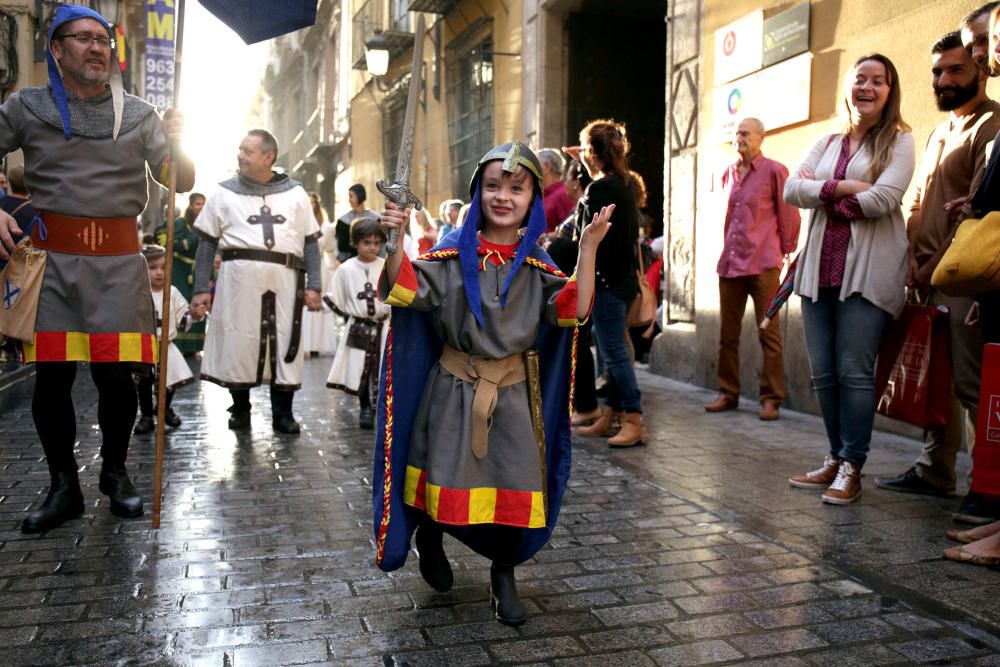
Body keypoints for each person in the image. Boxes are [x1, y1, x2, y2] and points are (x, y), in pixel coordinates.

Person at [374, 141, 611, 625]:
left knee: (516, 486)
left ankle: (503, 575)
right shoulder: (448, 257)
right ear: (478, 192)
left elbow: (576, 309)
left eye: (517, 188)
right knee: (441, 481)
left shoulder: (538, 269)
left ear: (532, 200)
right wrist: (394, 241)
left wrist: (586, 248)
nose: (504, 196)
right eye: (493, 186)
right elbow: (402, 288)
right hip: (451, 389)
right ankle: (430, 537)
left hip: (511, 401)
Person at [0, 4, 194, 532]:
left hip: (117, 263)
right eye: (82, 38)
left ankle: (115, 474)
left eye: (102, 39)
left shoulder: (139, 113)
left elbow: (180, 180)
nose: (96, 47)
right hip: (53, 265)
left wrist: (179, 139)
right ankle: (63, 485)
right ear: (56, 49)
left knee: (117, 377)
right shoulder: (26, 106)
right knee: (53, 379)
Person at [874, 32, 1000, 505]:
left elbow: (977, 214)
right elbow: (921, 203)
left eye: (955, 70)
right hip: (924, 275)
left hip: (962, 279)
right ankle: (934, 470)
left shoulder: (991, 127)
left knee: (970, 383)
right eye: (937, 72)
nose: (943, 80)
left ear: (981, 72)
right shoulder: (939, 131)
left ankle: (984, 488)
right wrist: (911, 256)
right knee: (937, 380)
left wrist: (933, 267)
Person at [784, 53, 915, 505]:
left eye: (879, 81)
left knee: (855, 373)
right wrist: (841, 188)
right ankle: (835, 458)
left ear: (889, 91)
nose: (868, 87)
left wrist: (820, 193)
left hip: (868, 273)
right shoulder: (827, 140)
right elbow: (790, 190)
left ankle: (853, 466)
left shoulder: (900, 141)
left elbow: (883, 199)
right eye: (861, 79)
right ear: (849, 86)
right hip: (819, 270)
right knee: (823, 374)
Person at [190, 130, 321, 434]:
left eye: (247, 151)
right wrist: (200, 290)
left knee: (285, 342)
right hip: (237, 284)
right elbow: (207, 245)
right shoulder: (223, 193)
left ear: (268, 157)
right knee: (240, 343)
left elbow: (310, 243)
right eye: (240, 149)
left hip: (287, 283)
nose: (240, 155)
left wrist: (314, 284)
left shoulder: (296, 194)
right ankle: (240, 408)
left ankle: (283, 413)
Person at [704, 118, 801, 420]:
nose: (739, 138)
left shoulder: (775, 170)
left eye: (745, 133)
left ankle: (771, 398)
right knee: (727, 335)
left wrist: (787, 249)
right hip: (731, 264)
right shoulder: (728, 173)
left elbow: (789, 214)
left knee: (768, 333)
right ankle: (727, 392)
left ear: (762, 137)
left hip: (763, 263)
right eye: (736, 133)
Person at [568, 119, 646, 447]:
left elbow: (581, 236)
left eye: (586, 149)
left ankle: (633, 417)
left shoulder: (599, 189)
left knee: (613, 352)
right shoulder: (625, 182)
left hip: (607, 282)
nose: (583, 155)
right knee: (611, 347)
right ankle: (612, 413)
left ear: (595, 153)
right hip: (622, 281)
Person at [546, 160, 599, 424]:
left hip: (572, 280)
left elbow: (579, 246)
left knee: (580, 337)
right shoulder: (577, 205)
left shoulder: (579, 205)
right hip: (565, 282)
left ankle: (589, 406)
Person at [325, 218, 390, 429]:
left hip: (384, 327)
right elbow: (338, 298)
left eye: (376, 243)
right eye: (367, 242)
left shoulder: (385, 266)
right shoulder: (346, 269)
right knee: (360, 369)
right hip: (358, 327)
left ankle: (381, 408)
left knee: (383, 368)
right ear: (355, 243)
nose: (372, 247)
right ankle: (365, 409)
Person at [134, 245, 203, 434]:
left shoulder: (171, 292)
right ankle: (147, 416)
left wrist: (195, 315)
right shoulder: (138, 291)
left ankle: (164, 408)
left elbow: (183, 317)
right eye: (153, 267)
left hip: (166, 346)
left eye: (164, 268)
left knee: (169, 380)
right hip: (145, 346)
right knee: (145, 383)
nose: (159, 273)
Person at [155, 192, 206, 355]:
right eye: (198, 203)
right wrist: (190, 240)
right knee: (182, 302)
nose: (201, 207)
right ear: (191, 206)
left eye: (203, 204)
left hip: (197, 269)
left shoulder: (206, 223)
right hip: (179, 268)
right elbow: (171, 244)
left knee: (197, 303)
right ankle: (179, 345)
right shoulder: (180, 223)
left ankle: (193, 347)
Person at [301, 191, 338, 356]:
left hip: (322, 267)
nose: (311, 206)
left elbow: (330, 250)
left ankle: (318, 344)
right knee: (305, 304)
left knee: (320, 303)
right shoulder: (300, 225)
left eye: (313, 203)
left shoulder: (327, 228)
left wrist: (332, 268)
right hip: (305, 266)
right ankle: (305, 344)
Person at [335, 184, 379, 264]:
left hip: (373, 261)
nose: (349, 200)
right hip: (350, 262)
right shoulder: (343, 221)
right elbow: (341, 248)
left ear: (360, 196)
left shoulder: (376, 219)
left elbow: (381, 244)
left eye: (351, 196)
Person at [538, 148, 574, 234]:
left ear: (546, 166)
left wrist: (545, 237)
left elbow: (571, 232)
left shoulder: (563, 195)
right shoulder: (541, 194)